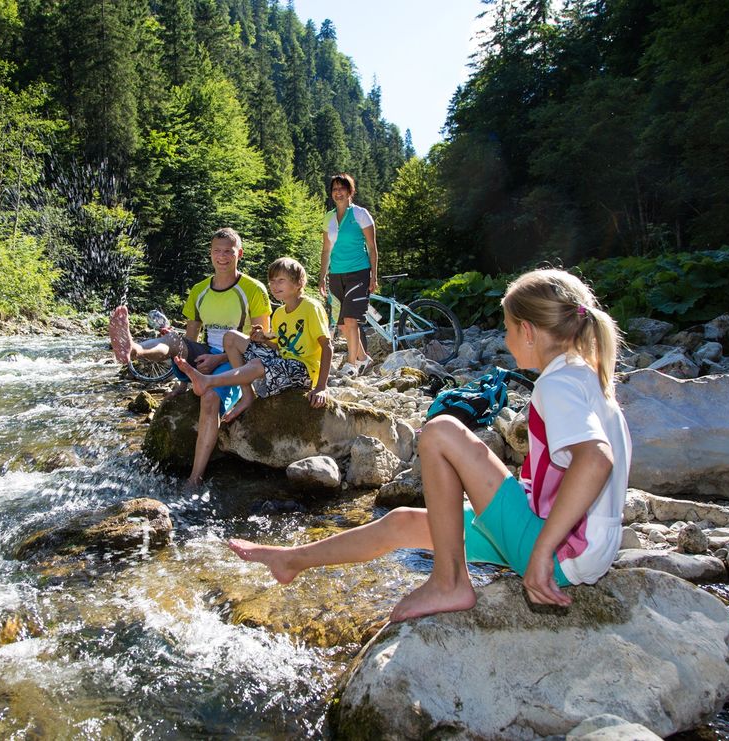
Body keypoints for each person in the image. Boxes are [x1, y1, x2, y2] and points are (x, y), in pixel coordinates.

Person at [228, 268, 632, 623]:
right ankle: (290, 560)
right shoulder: (586, 378)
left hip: (559, 550)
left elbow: (596, 460)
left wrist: (542, 552)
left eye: (508, 330)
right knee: (403, 521)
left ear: (528, 330)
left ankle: (449, 581)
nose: (507, 341)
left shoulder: (558, 383)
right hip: (572, 543)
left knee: (439, 430)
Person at [109, 227, 271, 488]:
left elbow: (260, 340)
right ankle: (134, 350)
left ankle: (194, 478)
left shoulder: (253, 289)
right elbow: (189, 339)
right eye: (217, 251)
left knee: (208, 398)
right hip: (205, 352)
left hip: (236, 358)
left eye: (228, 252)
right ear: (210, 254)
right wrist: (182, 381)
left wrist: (217, 361)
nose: (222, 257)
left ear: (239, 254)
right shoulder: (199, 290)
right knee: (173, 339)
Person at [176, 257, 332, 422]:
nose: (274, 285)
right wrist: (263, 339)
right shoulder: (279, 313)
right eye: (272, 281)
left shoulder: (311, 307)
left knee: (257, 364)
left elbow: (327, 346)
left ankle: (208, 381)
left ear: (298, 283)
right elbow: (279, 348)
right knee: (231, 337)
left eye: (281, 280)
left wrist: (321, 387)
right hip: (283, 362)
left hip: (304, 370)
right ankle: (247, 394)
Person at [318, 173, 378, 377]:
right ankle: (363, 358)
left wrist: (373, 276)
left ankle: (352, 364)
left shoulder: (361, 214)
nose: (338, 192)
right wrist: (321, 278)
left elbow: (372, 247)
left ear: (350, 191)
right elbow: (326, 250)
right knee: (343, 324)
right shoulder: (328, 218)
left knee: (351, 320)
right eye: (334, 189)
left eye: (342, 188)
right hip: (336, 274)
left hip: (358, 272)